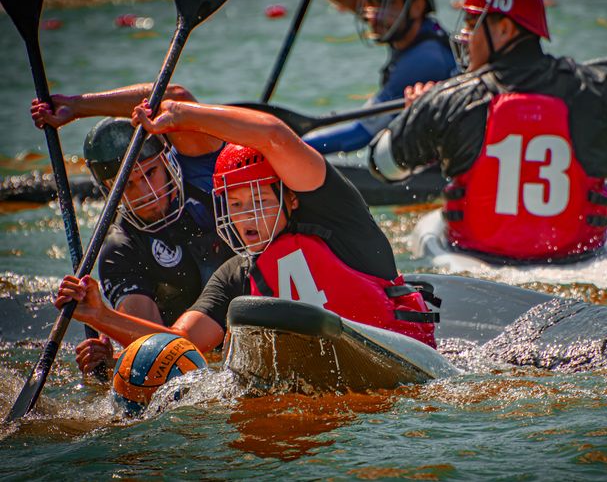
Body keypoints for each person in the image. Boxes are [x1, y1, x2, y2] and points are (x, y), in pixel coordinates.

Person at [53, 100, 438, 354]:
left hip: (403, 361)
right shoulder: (236, 275)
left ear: (290, 197)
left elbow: (274, 136)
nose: (247, 217)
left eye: (258, 201)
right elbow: (182, 345)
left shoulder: (338, 216)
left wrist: (182, 114)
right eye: (235, 205)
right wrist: (100, 315)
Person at [368, 0, 607, 263]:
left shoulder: (451, 98)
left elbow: (382, 165)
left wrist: (416, 113)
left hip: (475, 261)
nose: (465, 37)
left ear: (504, 28)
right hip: (582, 261)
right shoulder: (603, 87)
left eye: (472, 25)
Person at [31, 84, 234, 373]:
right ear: (108, 191)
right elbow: (156, 348)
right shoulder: (121, 248)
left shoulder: (201, 169)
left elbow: (173, 96)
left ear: (166, 159)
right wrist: (112, 356)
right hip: (196, 347)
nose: (147, 191)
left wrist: (76, 107)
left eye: (150, 172)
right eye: (128, 184)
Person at [301, 0, 456, 153]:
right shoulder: (406, 25)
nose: (374, 15)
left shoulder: (425, 59)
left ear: (417, 7)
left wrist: (284, 147)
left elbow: (359, 133)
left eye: (387, 2)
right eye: (372, 2)